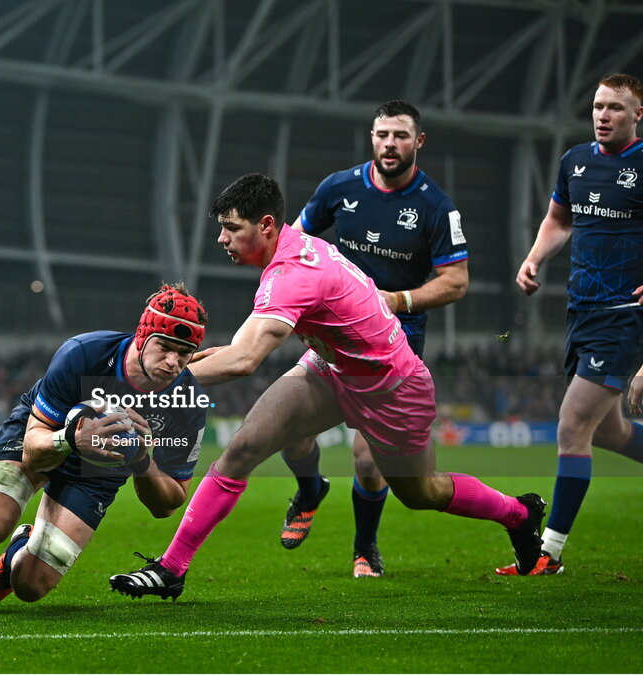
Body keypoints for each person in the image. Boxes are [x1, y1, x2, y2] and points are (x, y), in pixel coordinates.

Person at [109, 174, 542, 600]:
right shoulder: (294, 247)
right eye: (221, 227)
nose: (221, 238)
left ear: (265, 226)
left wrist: (147, 381)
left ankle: (519, 514)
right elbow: (242, 345)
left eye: (231, 228)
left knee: (420, 491)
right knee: (245, 446)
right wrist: (183, 365)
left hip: (392, 389)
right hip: (331, 367)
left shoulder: (292, 273)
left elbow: (244, 360)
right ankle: (172, 568)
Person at [0, 283, 210, 612]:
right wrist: (70, 439)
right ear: (143, 336)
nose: (172, 362)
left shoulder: (187, 402)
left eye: (183, 353)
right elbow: (32, 450)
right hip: (47, 432)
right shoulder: (85, 354)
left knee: (30, 585)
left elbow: (168, 503)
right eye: (164, 347)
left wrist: (141, 461)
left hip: (102, 467)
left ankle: (18, 549)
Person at [278, 100, 469, 578]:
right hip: (334, 338)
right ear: (371, 137)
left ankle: (365, 548)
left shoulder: (436, 207)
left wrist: (395, 300)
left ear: (418, 142)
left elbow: (456, 281)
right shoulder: (339, 188)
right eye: (382, 134)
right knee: (291, 430)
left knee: (367, 459)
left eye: (401, 136)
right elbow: (295, 241)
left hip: (393, 348)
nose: (390, 144)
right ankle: (309, 489)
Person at [504, 73, 643, 575]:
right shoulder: (575, 161)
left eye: (616, 108)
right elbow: (560, 220)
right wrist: (535, 257)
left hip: (625, 317)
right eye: (598, 107)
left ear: (637, 116)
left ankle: (549, 553)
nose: (604, 115)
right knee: (608, 431)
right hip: (580, 310)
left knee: (572, 426)